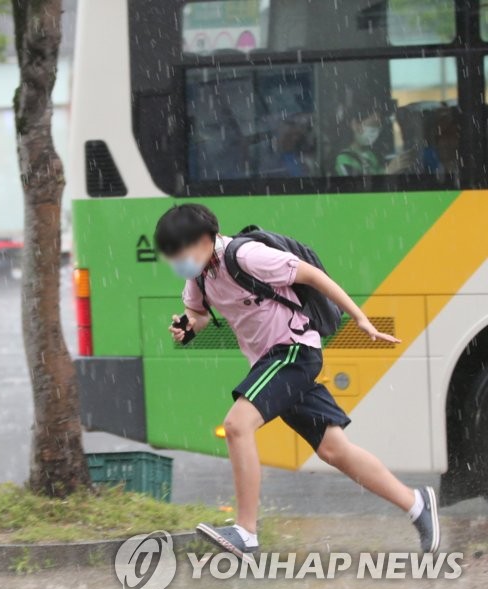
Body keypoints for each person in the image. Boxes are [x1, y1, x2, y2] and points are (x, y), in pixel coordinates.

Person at [154, 203, 439, 558]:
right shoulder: (199, 276)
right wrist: (186, 328)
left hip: (292, 351)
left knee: (237, 425)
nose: (178, 259)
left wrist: (361, 320)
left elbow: (313, 276)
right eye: (172, 254)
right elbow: (198, 314)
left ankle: (246, 531)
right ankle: (416, 504)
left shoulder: (247, 256)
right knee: (334, 450)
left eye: (182, 250)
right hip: (271, 361)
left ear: (206, 239)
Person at [334, 108, 414, 176]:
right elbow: (358, 189)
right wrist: (387, 172)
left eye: (379, 125)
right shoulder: (344, 159)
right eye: (375, 124)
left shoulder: (371, 154)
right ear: (355, 125)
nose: (378, 129)